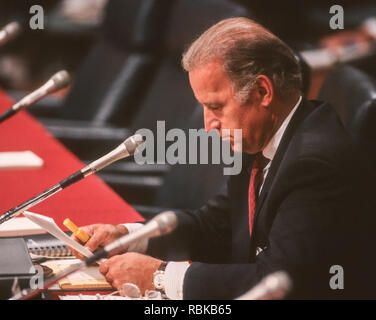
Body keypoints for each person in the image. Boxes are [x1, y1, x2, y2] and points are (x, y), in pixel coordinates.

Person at [71, 17, 376, 299]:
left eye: (216, 107)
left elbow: (277, 281)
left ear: (262, 91)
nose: (208, 124)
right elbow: (218, 226)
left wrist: (160, 276)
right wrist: (130, 237)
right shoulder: (261, 136)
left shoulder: (314, 165)